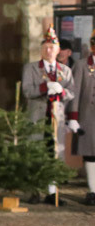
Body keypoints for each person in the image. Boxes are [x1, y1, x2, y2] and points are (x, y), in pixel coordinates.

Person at [22, 26, 74, 205]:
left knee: (55, 154)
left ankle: (53, 192)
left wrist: (60, 91)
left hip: (56, 119)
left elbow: (71, 92)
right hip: (37, 118)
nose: (49, 50)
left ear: (58, 50)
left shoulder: (65, 71)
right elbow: (27, 91)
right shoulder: (31, 68)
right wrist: (44, 88)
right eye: (45, 47)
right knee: (35, 153)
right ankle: (34, 190)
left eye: (52, 47)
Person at [67, 31, 95, 205]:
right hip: (88, 116)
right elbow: (74, 93)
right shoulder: (82, 65)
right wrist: (73, 117)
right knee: (91, 154)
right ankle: (93, 191)